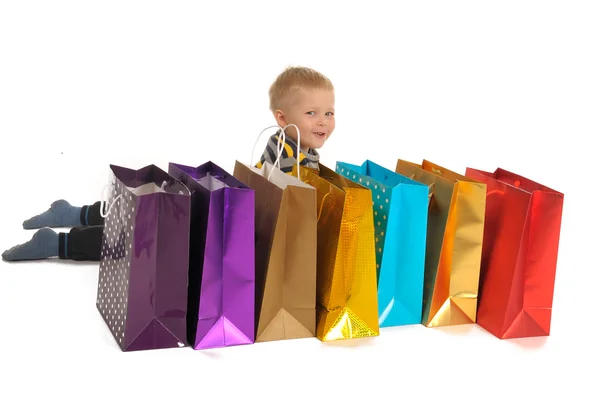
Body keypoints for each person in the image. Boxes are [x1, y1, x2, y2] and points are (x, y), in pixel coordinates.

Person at [2, 66, 336, 262]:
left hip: (226, 219)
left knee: (145, 223)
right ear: (282, 118)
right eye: (312, 113)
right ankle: (58, 242)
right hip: (223, 227)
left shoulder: (296, 149)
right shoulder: (287, 153)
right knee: (144, 243)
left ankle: (74, 213)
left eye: (329, 112)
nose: (323, 121)